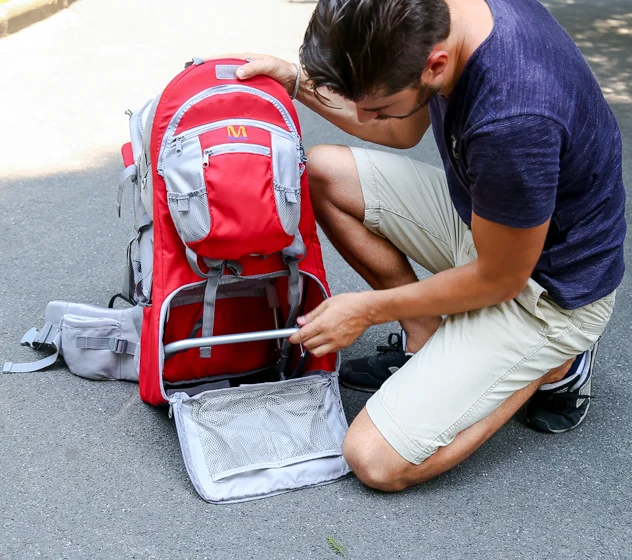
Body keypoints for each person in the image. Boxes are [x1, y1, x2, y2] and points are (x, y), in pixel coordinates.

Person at [235, 0, 626, 491]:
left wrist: (368, 310)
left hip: (544, 290)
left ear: (435, 64)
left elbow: (499, 278)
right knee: (323, 172)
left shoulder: (513, 116)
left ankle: (557, 364)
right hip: (489, 220)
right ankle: (426, 337)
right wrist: (296, 80)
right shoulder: (444, 21)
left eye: (373, 105)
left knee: (374, 461)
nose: (359, 116)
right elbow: (402, 128)